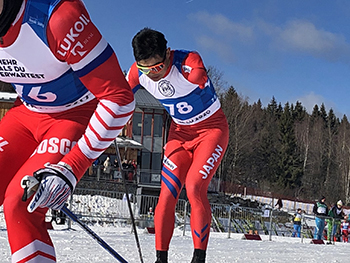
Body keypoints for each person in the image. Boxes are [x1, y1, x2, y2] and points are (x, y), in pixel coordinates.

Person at [0, 0, 135, 262]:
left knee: (22, 203)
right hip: (25, 113)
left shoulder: (57, 16)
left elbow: (119, 97)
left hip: (73, 115)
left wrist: (73, 167)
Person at [127, 28, 229, 263]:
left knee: (194, 187)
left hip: (210, 130)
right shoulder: (138, 74)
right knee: (167, 193)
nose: (153, 75)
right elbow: (119, 95)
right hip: (180, 133)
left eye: (157, 68)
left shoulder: (187, 62)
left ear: (168, 54)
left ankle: (198, 257)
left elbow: (198, 71)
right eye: (145, 69)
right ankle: (160, 258)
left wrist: (199, 77)